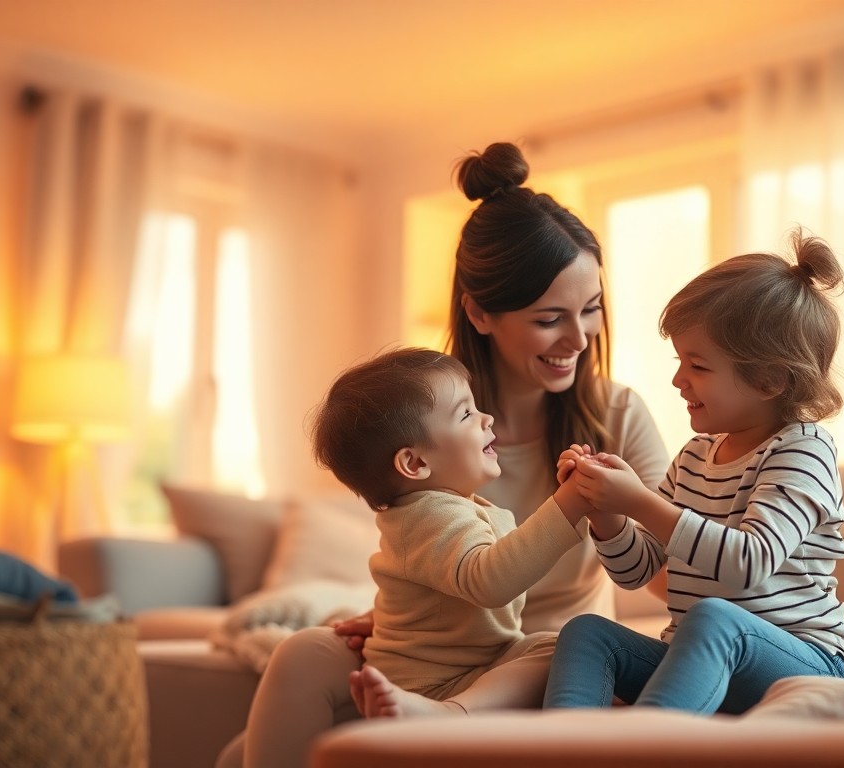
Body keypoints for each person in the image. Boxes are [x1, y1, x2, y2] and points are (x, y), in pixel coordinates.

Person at [227, 142, 671, 768]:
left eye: (592, 309)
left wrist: (623, 515)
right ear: (479, 313)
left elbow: (672, 576)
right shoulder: (429, 417)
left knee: (560, 645)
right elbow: (427, 553)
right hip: (440, 657)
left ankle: (447, 718)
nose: (578, 338)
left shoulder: (616, 415)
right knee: (273, 699)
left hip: (542, 662)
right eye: (550, 319)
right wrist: (400, 619)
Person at [543, 230, 844, 714]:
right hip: (703, 657)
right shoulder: (694, 456)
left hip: (807, 661)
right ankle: (563, 744)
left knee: (715, 618)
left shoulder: (804, 452)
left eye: (698, 366)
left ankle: (649, 744)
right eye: (679, 361)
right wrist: (606, 514)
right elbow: (638, 571)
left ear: (769, 379)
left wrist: (639, 501)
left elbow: (748, 563)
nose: (678, 379)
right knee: (587, 632)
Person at [310, 347, 595, 718]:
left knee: (560, 646)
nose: (487, 418)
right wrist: (567, 506)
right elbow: (491, 581)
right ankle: (452, 713)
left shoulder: (446, 509)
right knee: (560, 648)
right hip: (434, 681)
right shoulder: (430, 514)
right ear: (415, 462)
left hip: (471, 667)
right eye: (466, 414)